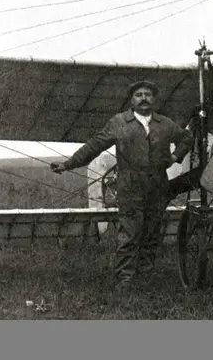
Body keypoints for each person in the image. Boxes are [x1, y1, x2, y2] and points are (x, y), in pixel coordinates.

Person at [51, 80, 195, 287]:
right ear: (131, 99)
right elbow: (94, 146)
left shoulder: (165, 124)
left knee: (152, 233)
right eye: (138, 94)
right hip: (130, 186)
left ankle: (146, 277)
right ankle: (125, 280)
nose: (144, 98)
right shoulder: (118, 123)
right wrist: (68, 164)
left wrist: (175, 157)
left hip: (158, 186)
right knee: (129, 233)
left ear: (154, 99)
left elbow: (187, 138)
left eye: (148, 94)